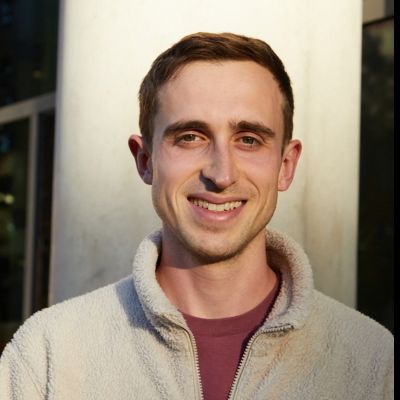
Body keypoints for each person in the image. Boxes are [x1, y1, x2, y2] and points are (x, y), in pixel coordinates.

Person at [0, 32, 393, 400]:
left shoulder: (374, 364)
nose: (221, 174)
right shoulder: (48, 356)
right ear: (145, 160)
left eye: (249, 140)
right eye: (190, 137)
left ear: (285, 166)